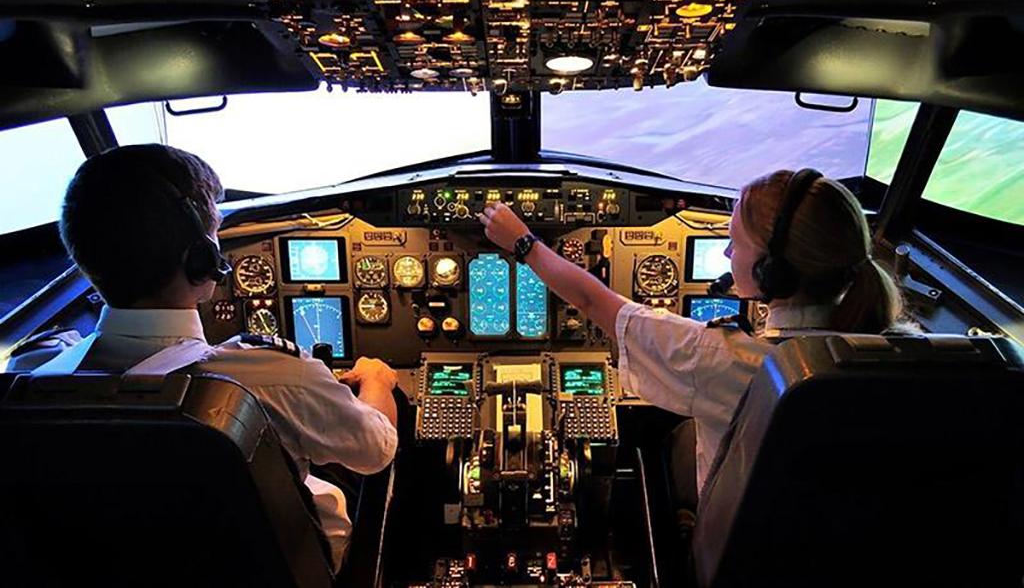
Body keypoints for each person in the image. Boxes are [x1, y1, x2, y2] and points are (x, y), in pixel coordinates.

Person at [27, 144, 398, 573]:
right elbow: (375, 450)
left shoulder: (33, 382)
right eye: (216, 232)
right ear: (201, 259)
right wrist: (377, 381)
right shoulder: (267, 378)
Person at [480, 169, 906, 491]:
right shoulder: (903, 352)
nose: (726, 253)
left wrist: (524, 243)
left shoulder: (725, 361)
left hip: (737, 546)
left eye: (735, 243)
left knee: (662, 447)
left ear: (772, 271)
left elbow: (593, 302)